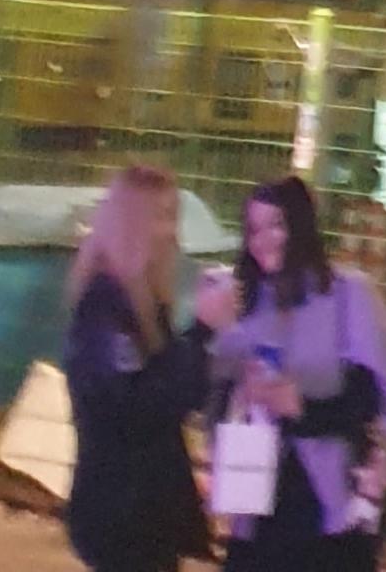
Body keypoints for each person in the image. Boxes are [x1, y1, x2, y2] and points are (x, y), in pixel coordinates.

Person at [206, 167, 386, 561]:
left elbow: (375, 403)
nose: (263, 240)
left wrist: (300, 407)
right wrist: (238, 387)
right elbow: (213, 399)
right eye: (254, 229)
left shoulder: (348, 295)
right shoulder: (244, 301)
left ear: (301, 226)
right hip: (256, 502)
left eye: (276, 225)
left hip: (332, 503)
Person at [63, 161, 235, 572]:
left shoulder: (142, 304)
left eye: (173, 217)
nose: (172, 232)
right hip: (121, 512)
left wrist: (212, 339)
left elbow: (177, 393)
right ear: (132, 224)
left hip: (141, 511)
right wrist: (201, 331)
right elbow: (137, 406)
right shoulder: (104, 305)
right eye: (162, 216)